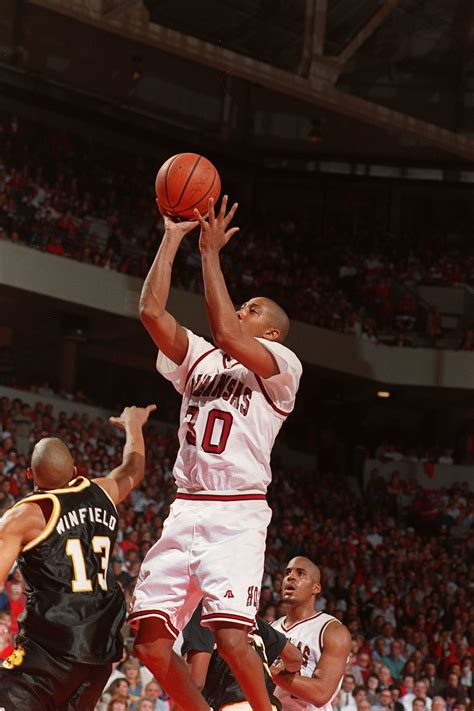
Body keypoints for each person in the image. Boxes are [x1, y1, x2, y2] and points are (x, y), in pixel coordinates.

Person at [131, 196, 302, 711]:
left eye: (253, 309)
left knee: (230, 640)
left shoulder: (282, 367)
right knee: (150, 644)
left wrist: (210, 255)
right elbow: (150, 312)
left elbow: (227, 328)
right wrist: (172, 236)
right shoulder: (200, 357)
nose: (241, 310)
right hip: (185, 507)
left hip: (236, 514)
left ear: (270, 333)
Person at [0, 404, 156, 711]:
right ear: (75, 473)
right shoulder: (102, 491)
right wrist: (134, 424)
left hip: (48, 655)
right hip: (98, 656)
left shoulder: (23, 517)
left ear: (30, 474)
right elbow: (133, 470)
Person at [181, 601, 302, 710]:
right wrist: (270, 671)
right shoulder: (252, 619)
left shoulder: (203, 611)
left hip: (232, 704)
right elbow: (295, 658)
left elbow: (196, 683)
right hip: (267, 705)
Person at [271, 556, 352, 710]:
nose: (291, 577)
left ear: (316, 588)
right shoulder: (272, 628)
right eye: (287, 573)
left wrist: (268, 670)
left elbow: (320, 693)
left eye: (300, 573)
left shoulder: (332, 630)